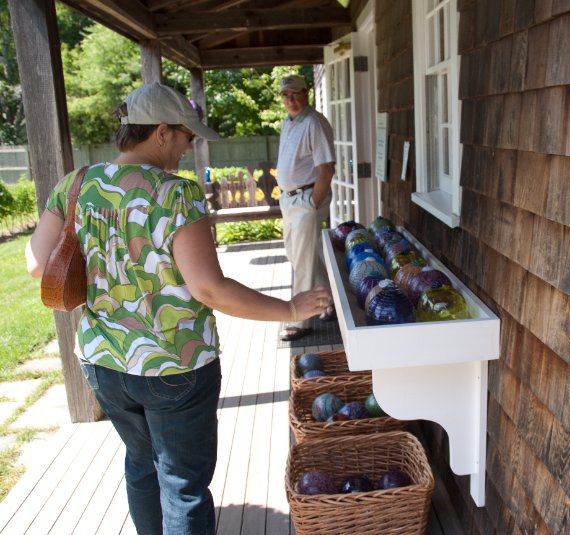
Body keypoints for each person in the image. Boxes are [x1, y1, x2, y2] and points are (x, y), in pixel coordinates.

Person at [24, 82, 331, 535]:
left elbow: (36, 265)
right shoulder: (174, 195)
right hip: (176, 365)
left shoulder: (75, 185)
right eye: (188, 136)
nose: (190, 146)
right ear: (162, 132)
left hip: (104, 363)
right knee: (183, 484)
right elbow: (209, 288)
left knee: (143, 465)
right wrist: (289, 308)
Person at [275, 74, 337, 342]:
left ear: (306, 93)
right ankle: (330, 300)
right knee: (304, 254)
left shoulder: (314, 122)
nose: (291, 100)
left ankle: (300, 321)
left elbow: (326, 168)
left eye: (296, 94)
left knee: (301, 261)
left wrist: (312, 203)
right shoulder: (288, 123)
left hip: (306, 199)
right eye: (286, 96)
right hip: (290, 200)